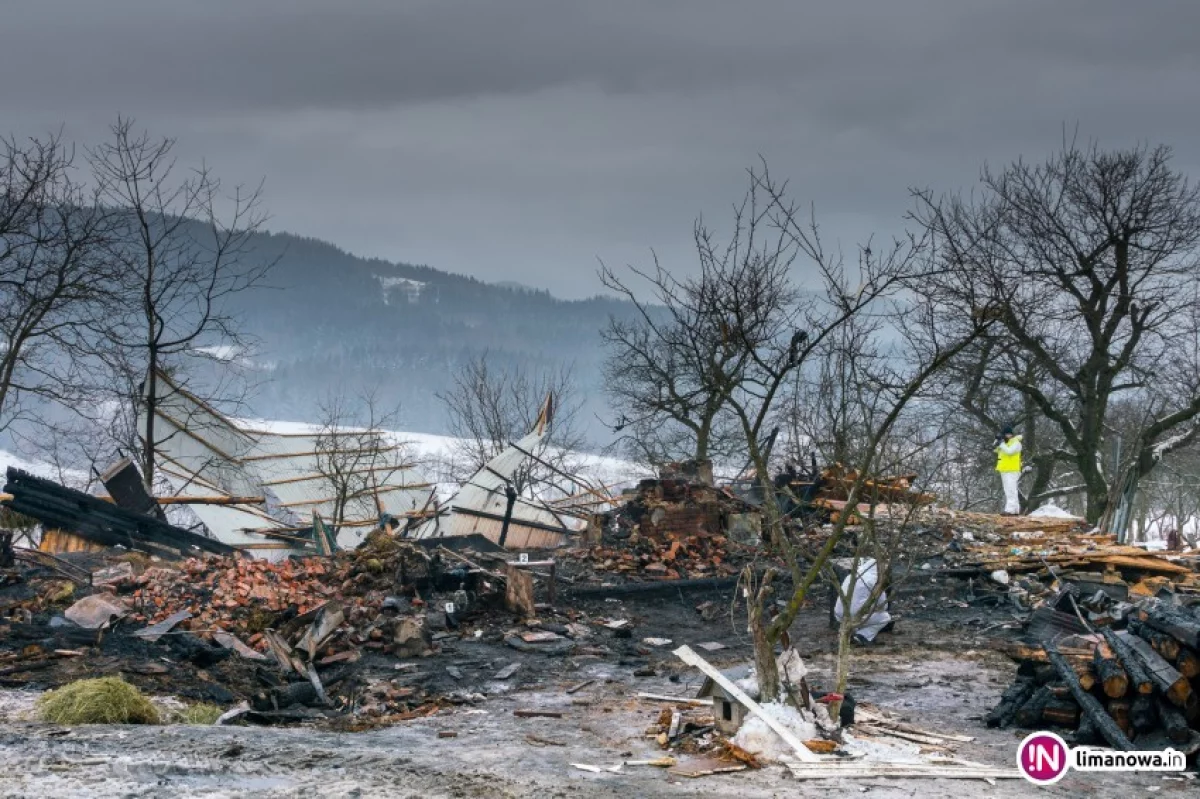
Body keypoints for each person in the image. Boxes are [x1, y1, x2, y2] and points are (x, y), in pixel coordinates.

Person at [994, 426, 1023, 515]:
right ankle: (1015, 510)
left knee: (1011, 489)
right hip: (1004, 469)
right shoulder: (1006, 443)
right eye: (1006, 434)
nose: (1008, 435)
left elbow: (1010, 452)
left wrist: (1002, 443)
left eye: (1009, 434)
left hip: (1012, 469)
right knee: (1008, 490)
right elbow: (995, 449)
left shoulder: (1016, 442)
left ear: (1012, 434)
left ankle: (1010, 510)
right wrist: (997, 441)